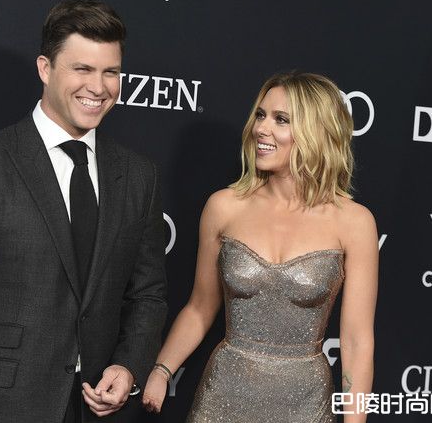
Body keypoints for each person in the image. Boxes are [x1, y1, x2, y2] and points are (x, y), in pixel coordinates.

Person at [0, 0, 167, 423]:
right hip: (6, 409)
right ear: (45, 69)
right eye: (82, 69)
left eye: (110, 72)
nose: (98, 87)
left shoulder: (138, 175)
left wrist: (128, 366)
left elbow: (148, 293)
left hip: (98, 408)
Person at [142, 72, 378, 422]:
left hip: (306, 404)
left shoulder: (354, 222)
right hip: (223, 396)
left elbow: (357, 342)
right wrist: (162, 370)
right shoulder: (224, 207)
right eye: (260, 115)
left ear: (317, 131)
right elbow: (200, 307)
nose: (261, 129)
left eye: (281, 120)